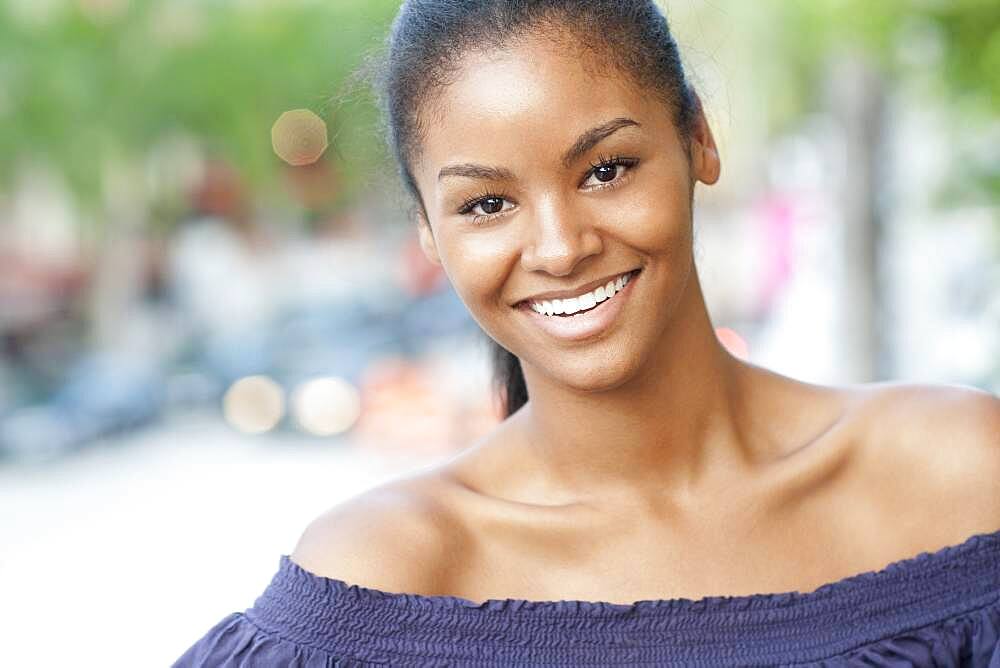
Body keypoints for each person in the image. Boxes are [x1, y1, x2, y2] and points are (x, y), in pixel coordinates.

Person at [174, 1, 1000, 665]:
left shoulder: (962, 470)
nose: (562, 247)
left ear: (698, 139)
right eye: (487, 204)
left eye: (606, 170)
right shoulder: (383, 581)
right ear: (429, 232)